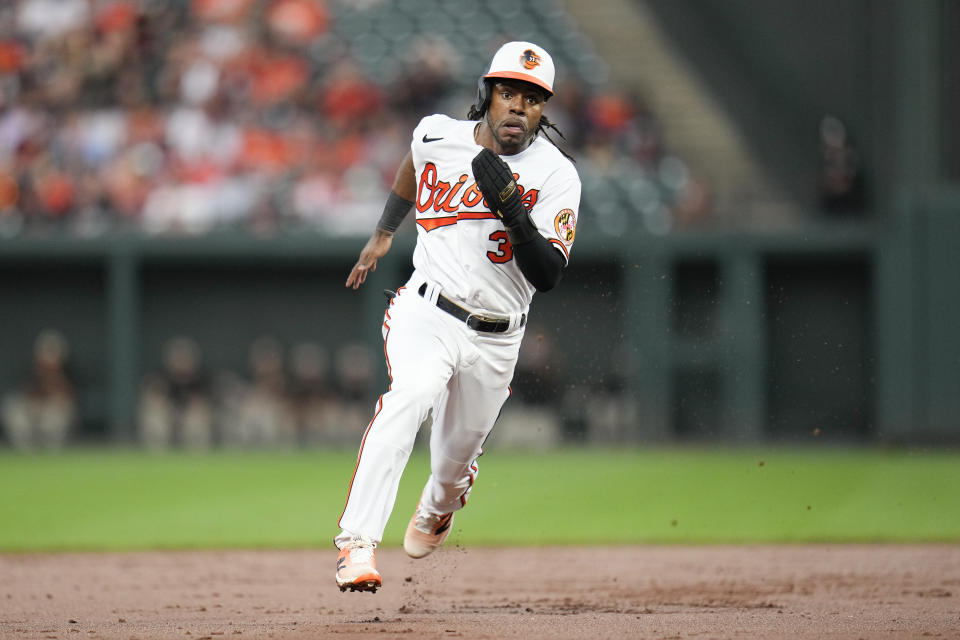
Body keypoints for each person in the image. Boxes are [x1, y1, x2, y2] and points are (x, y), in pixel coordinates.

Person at [334, 41, 581, 593]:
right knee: (411, 395)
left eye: (532, 99)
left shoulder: (557, 175)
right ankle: (356, 545)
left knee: (450, 465)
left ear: (544, 110)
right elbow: (414, 161)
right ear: (487, 95)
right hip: (427, 310)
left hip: (498, 336)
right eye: (508, 92)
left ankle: (440, 503)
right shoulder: (438, 134)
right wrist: (383, 231)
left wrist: (515, 211)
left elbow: (547, 275)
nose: (518, 107)